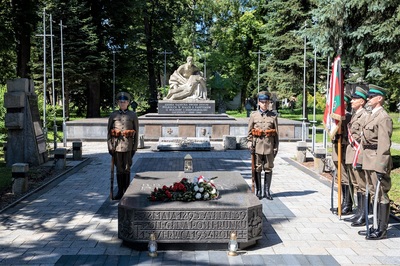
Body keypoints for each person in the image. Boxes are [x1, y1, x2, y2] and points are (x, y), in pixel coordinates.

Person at [358, 84, 393, 240]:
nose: (369, 99)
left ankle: (382, 230)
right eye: (369, 97)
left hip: (377, 160)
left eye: (372, 97)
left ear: (380, 98)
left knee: (381, 194)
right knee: (373, 193)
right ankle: (375, 225)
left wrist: (381, 166)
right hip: (368, 158)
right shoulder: (372, 115)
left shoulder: (383, 117)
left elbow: (384, 145)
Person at [343, 87, 370, 226]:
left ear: (362, 101)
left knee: (362, 185)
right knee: (356, 184)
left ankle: (363, 215)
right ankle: (358, 213)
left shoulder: (364, 115)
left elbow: (362, 137)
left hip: (358, 154)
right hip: (352, 153)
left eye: (354, 99)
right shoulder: (356, 114)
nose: (351, 101)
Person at [247, 91, 279, 200]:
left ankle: (267, 191)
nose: (264, 104)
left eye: (266, 102)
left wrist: (276, 147)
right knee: (257, 168)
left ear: (269, 103)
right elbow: (250, 132)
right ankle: (259, 191)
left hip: (269, 146)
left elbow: (276, 134)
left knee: (268, 168)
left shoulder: (273, 116)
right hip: (257, 146)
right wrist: (249, 143)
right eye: (262, 102)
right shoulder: (253, 115)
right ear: (259, 103)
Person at [107, 92, 139, 200]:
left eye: (124, 102)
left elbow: (137, 132)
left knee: (127, 168)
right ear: (117, 103)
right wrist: (110, 146)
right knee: (119, 169)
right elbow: (108, 132)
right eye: (120, 102)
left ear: (128, 103)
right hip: (116, 146)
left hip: (128, 146)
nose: (122, 103)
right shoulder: (113, 115)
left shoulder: (133, 115)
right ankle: (120, 191)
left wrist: (134, 147)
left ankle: (126, 190)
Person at [331, 93, 352, 215]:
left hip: (344, 150)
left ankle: (347, 204)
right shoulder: (335, 117)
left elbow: (350, 136)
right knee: (340, 176)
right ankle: (343, 202)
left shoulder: (348, 117)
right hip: (336, 150)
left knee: (345, 177)